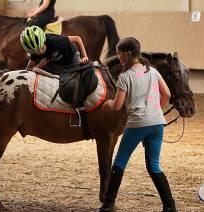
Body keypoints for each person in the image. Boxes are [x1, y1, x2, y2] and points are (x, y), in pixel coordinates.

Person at [99, 37, 177, 212]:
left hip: (136, 125)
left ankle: (108, 204)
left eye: (119, 55)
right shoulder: (153, 71)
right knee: (154, 166)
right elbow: (167, 94)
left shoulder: (125, 77)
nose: (118, 58)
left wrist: (107, 104)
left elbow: (117, 105)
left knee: (119, 163)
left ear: (126, 54)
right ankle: (170, 206)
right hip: (157, 123)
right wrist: (154, 109)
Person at [20, 26, 89, 74]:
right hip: (56, 62)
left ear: (44, 41)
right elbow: (28, 69)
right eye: (37, 51)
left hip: (71, 57)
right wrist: (39, 66)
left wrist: (85, 56)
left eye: (42, 47)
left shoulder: (54, 41)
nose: (40, 51)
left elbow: (77, 38)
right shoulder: (34, 50)